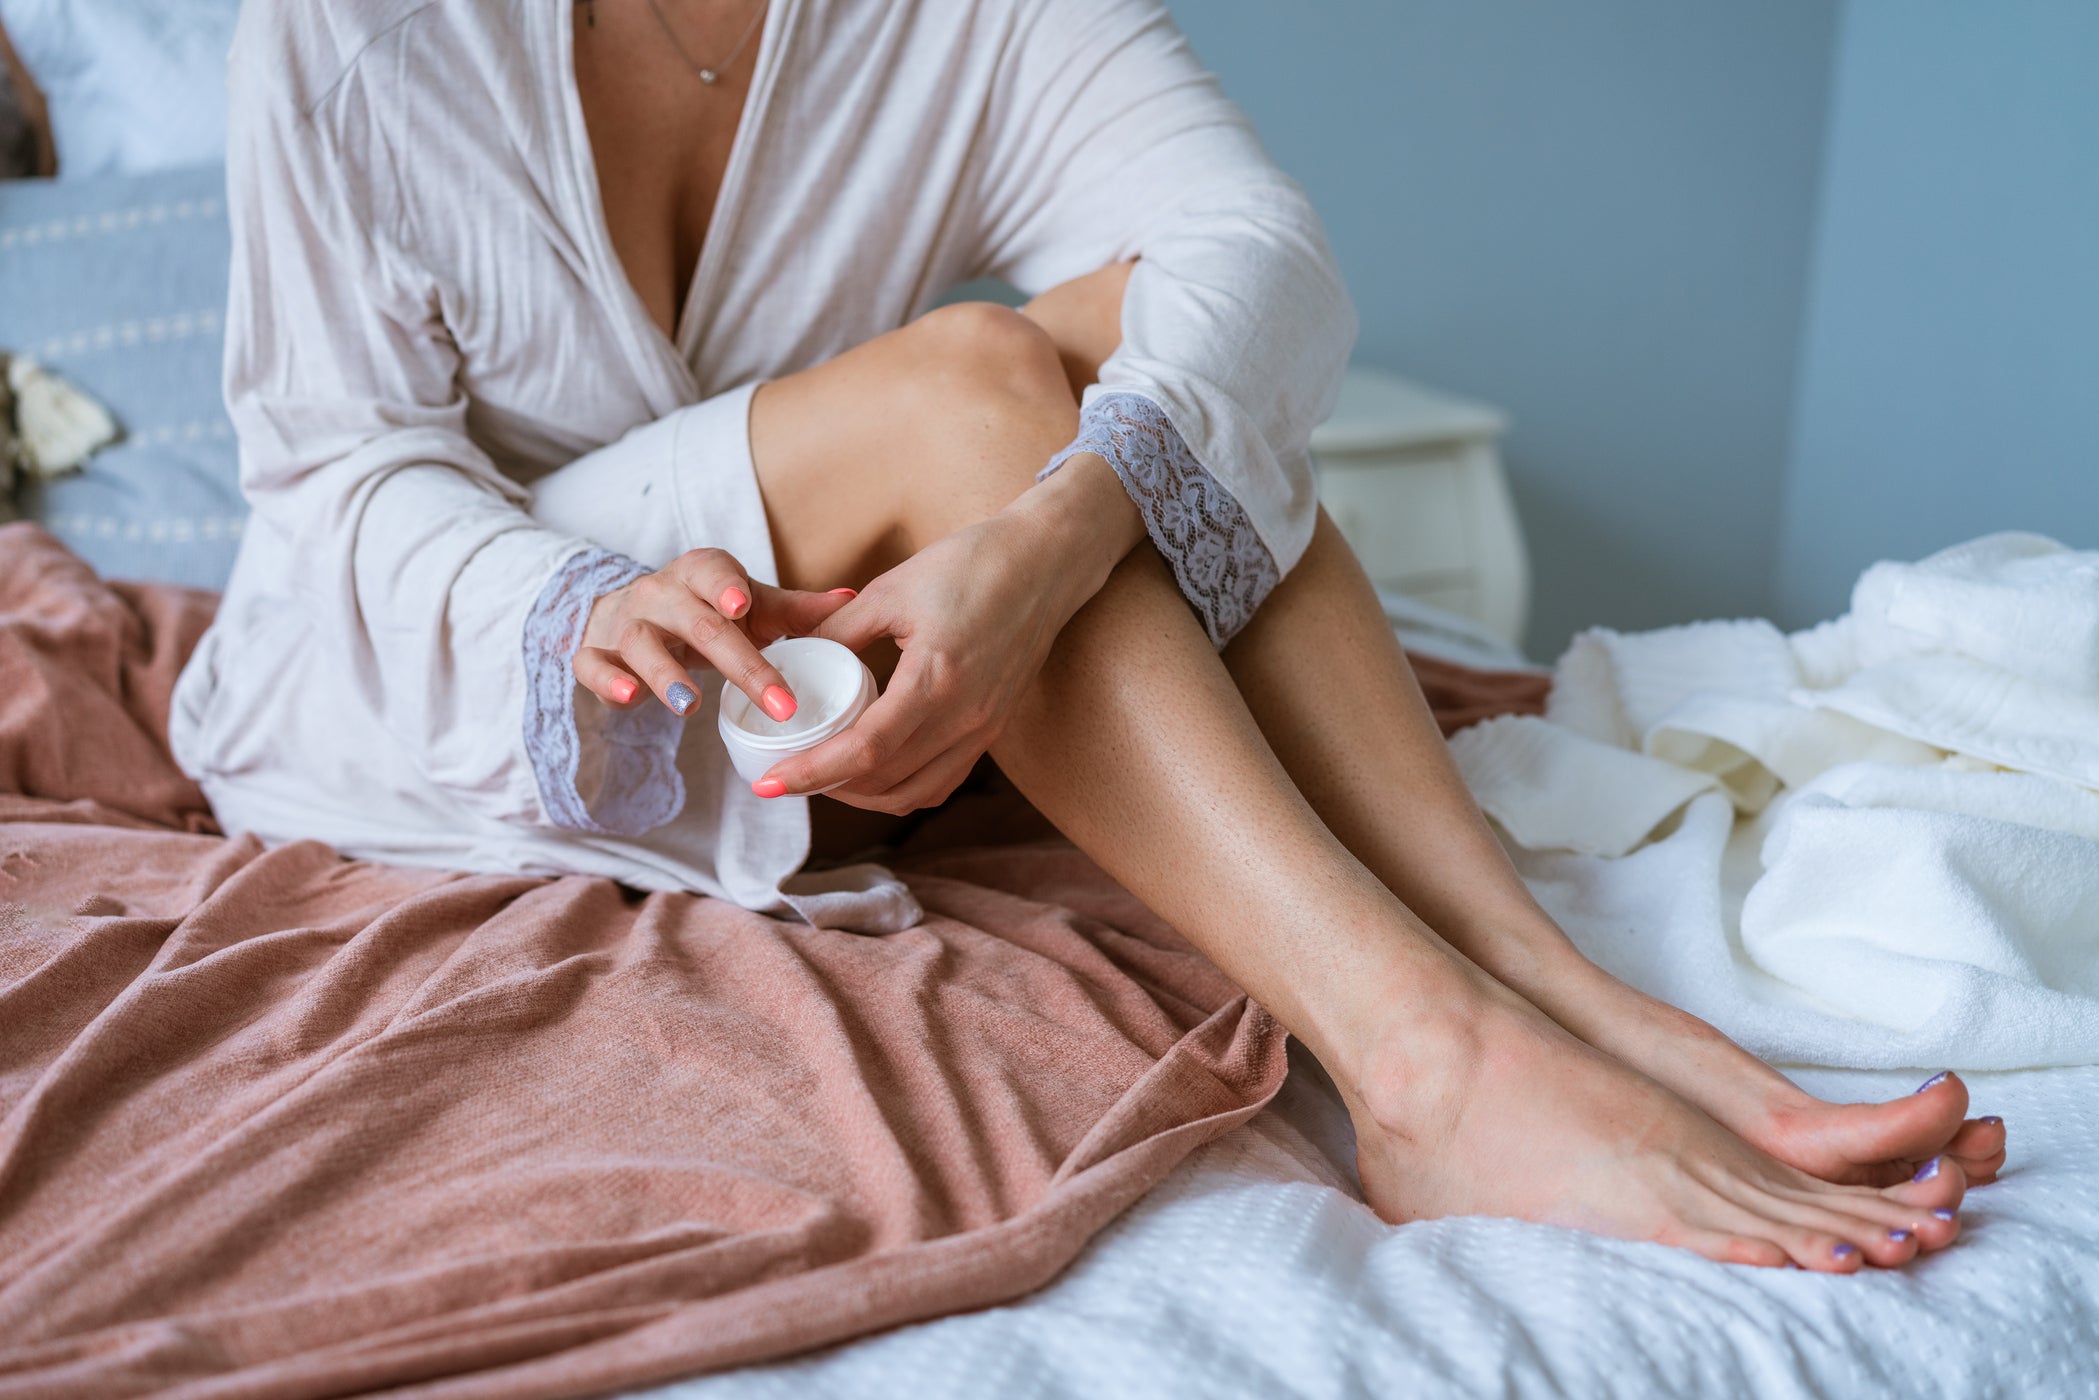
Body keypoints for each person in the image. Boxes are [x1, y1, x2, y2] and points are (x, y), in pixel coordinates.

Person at [172, 0, 2006, 1272]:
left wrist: (1056, 537)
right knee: (988, 377)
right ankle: (1427, 1068)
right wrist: (563, 599)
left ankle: (1557, 989)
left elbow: (1252, 251)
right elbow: (337, 462)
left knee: (1146, 363)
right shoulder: (344, 32)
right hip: (431, 648)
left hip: (812, 629)